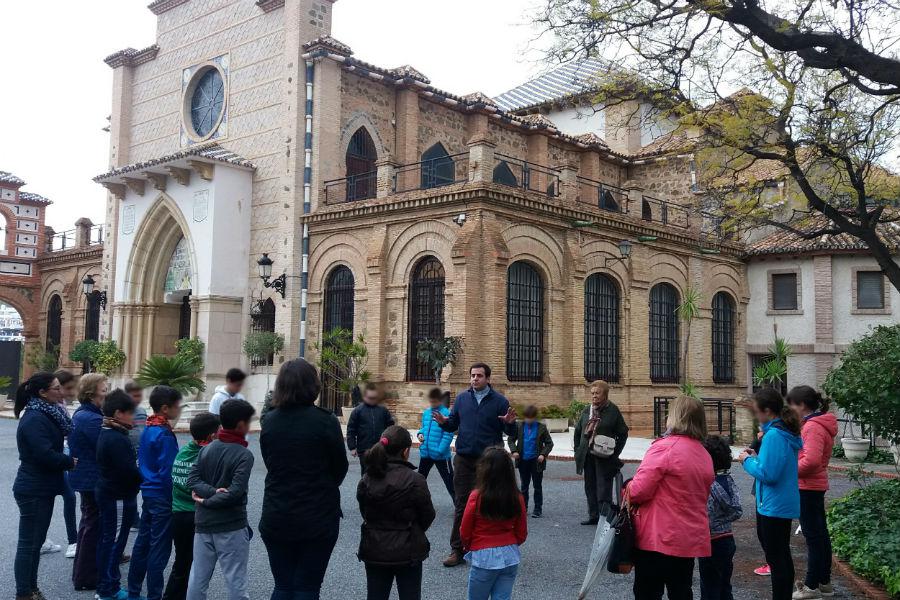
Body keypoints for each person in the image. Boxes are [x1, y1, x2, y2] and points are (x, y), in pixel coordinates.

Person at [259, 359, 349, 599]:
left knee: (283, 585)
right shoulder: (325, 421)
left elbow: (270, 461)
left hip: (277, 511)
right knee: (307, 587)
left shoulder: (270, 421)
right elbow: (339, 467)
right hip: (317, 513)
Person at [625, 395, 714, 600]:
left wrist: (626, 486)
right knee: (681, 591)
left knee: (647, 592)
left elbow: (638, 490)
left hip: (658, 535)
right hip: (688, 538)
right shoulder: (704, 453)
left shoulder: (665, 447)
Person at [433, 363, 517, 567]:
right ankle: (457, 549)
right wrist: (444, 422)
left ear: (488, 378)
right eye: (472, 375)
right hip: (464, 459)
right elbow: (453, 424)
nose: (475, 379)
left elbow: (511, 433)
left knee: (490, 503)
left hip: (489, 461)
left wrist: (510, 423)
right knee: (462, 504)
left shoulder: (500, 401)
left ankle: (489, 546)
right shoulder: (462, 399)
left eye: (479, 376)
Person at [13, 372, 75, 600]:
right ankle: (24, 592)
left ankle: (31, 589)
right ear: (42, 393)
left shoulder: (47, 412)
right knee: (28, 543)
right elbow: (44, 454)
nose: (62, 392)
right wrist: (69, 461)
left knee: (35, 542)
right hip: (33, 488)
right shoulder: (35, 418)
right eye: (57, 388)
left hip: (42, 486)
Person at [186, 399, 256, 600]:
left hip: (203, 523)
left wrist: (207, 496)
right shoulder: (244, 454)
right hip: (231, 524)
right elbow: (234, 493)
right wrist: (214, 496)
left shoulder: (206, 448)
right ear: (241, 424)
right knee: (236, 581)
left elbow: (192, 480)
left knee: (197, 579)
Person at [357, 425, 436, 600]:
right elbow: (427, 514)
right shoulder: (416, 480)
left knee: (375, 595)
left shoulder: (367, 478)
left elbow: (364, 510)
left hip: (375, 545)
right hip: (408, 547)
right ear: (406, 451)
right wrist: (414, 528)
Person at [739, 388, 803, 600]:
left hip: (773, 505)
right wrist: (757, 457)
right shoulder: (780, 432)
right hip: (779, 502)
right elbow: (774, 466)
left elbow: (769, 474)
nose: (755, 416)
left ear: (767, 411)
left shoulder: (774, 435)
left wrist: (747, 461)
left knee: (777, 558)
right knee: (781, 555)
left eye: (757, 411)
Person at [128, 385, 183, 600]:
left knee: (143, 543)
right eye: (177, 406)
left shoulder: (149, 428)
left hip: (149, 492)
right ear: (165, 408)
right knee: (159, 548)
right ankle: (154, 595)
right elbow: (168, 472)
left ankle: (134, 591)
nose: (179, 409)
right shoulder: (164, 434)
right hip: (162, 494)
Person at [163, 412, 220, 600]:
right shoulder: (208, 456)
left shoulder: (184, 451)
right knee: (199, 568)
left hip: (178, 514)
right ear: (212, 435)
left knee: (181, 564)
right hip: (196, 516)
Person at [787, 386, 837, 600]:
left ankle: (811, 586)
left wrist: (788, 471)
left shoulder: (812, 427)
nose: (790, 409)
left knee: (814, 537)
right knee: (820, 535)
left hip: (808, 486)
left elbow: (812, 460)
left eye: (792, 405)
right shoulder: (815, 424)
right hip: (812, 485)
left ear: (802, 405)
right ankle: (824, 583)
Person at [460, 447, 528, 600]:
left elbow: (465, 530)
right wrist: (511, 542)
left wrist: (469, 545)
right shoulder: (517, 497)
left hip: (483, 553)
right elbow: (522, 531)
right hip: (510, 553)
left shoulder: (477, 496)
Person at [95, 390, 143, 600]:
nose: (133, 417)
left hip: (112, 492)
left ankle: (109, 585)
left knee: (110, 540)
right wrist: (143, 477)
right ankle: (107, 589)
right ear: (118, 413)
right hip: (117, 495)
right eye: (130, 413)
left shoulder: (110, 432)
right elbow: (128, 470)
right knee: (113, 543)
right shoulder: (115, 437)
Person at [69, 372, 109, 590]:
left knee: (88, 523)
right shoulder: (91, 418)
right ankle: (86, 575)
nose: (107, 394)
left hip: (87, 477)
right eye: (104, 390)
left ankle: (82, 573)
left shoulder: (84, 414)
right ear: (92, 393)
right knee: (92, 526)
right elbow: (104, 446)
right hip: (92, 478)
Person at [573, 380, 629, 525]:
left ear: (605, 394)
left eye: (597, 393)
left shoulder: (613, 410)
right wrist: (578, 450)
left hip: (604, 456)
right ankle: (593, 516)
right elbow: (578, 431)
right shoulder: (587, 410)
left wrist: (615, 453)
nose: (594, 396)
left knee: (604, 488)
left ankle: (604, 517)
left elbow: (623, 433)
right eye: (592, 393)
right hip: (587, 455)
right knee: (590, 486)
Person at [699, 435, 743, 600]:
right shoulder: (728, 480)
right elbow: (736, 510)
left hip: (711, 541)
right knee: (725, 586)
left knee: (709, 588)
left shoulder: (708, 484)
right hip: (727, 539)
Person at [506, 405, 554, 518]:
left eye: (531, 417)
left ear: (535, 417)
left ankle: (537, 509)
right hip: (523, 461)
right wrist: (514, 451)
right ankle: (523, 508)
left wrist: (543, 454)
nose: (529, 420)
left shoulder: (541, 427)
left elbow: (549, 443)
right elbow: (510, 439)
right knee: (524, 486)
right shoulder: (519, 426)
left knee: (537, 486)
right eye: (527, 417)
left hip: (537, 462)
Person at [346, 383, 395, 473]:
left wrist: (390, 445)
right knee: (366, 474)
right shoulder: (357, 411)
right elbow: (351, 430)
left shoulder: (383, 411)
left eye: (374, 398)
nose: (372, 400)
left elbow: (391, 428)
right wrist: (352, 447)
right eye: (370, 398)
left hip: (381, 448)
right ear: (364, 397)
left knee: (381, 472)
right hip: (364, 449)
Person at [416, 387, 455, 499]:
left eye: (434, 401)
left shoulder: (446, 413)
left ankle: (459, 505)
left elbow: (448, 434)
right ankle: (415, 502)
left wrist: (439, 450)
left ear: (440, 400)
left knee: (450, 482)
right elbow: (423, 428)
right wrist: (420, 434)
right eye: (431, 401)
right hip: (426, 453)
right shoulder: (426, 413)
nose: (432, 404)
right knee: (419, 481)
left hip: (441, 455)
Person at [124, 380, 148, 457]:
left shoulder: (142, 411)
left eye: (139, 396)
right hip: (129, 452)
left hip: (142, 451)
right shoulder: (122, 413)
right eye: (135, 396)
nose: (138, 399)